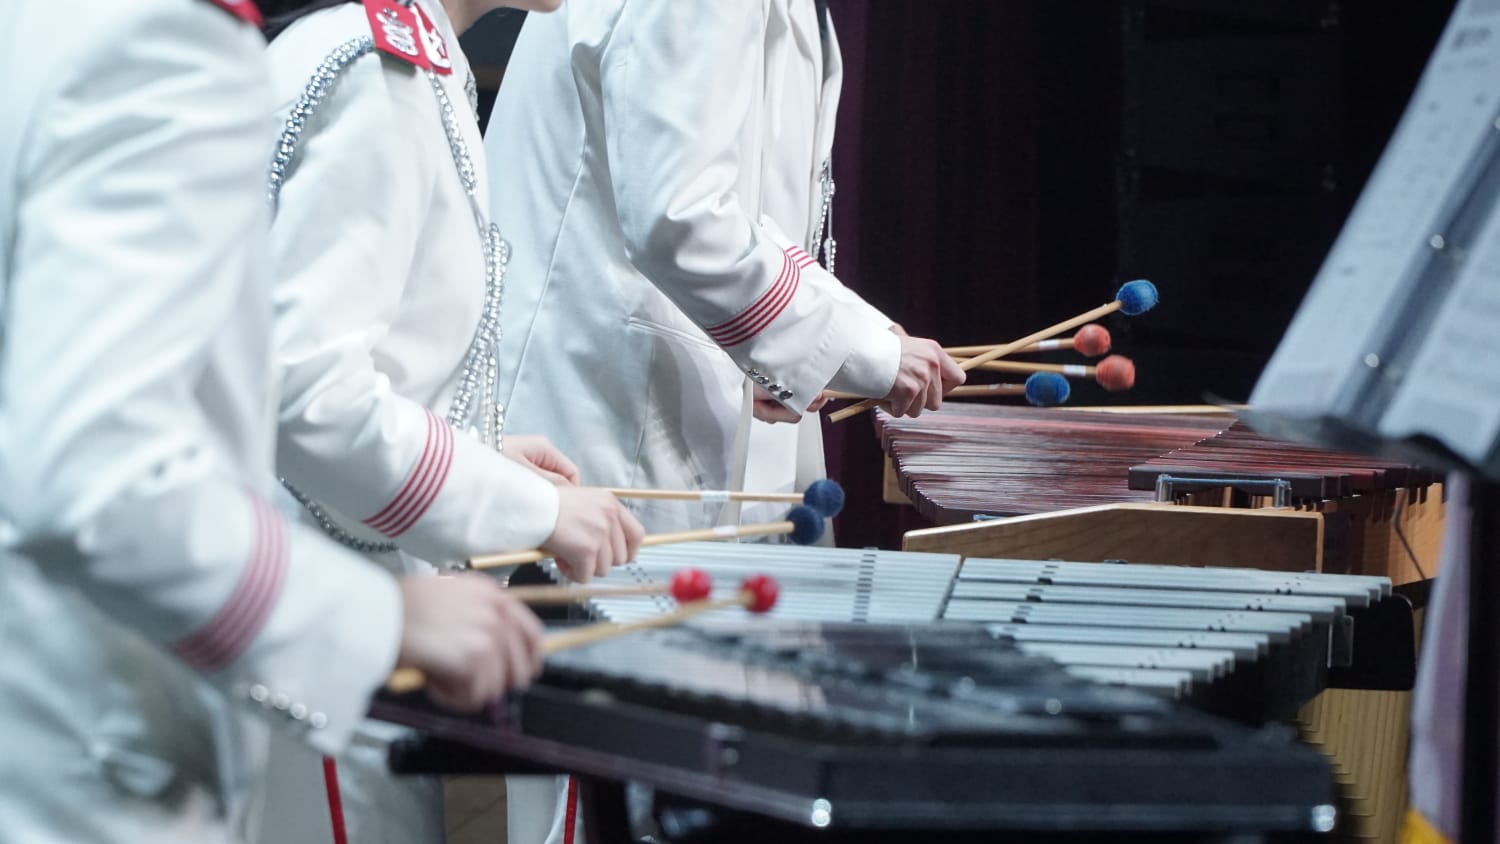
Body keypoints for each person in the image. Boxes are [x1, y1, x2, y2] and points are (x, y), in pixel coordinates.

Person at [0, 1, 542, 842]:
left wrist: (487, 464)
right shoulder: (166, 35)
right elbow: (106, 476)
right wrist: (379, 621)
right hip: (97, 726)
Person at [484, 2, 964, 840]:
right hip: (602, 420)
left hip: (650, 408)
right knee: (602, 790)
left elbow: (744, 206)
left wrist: (797, 347)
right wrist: (863, 353)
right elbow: (679, 216)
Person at [254, 1, 645, 841]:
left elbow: (356, 362)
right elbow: (310, 397)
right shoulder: (376, 66)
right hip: (317, 621)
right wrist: (531, 511)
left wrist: (484, 458)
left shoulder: (390, 52)